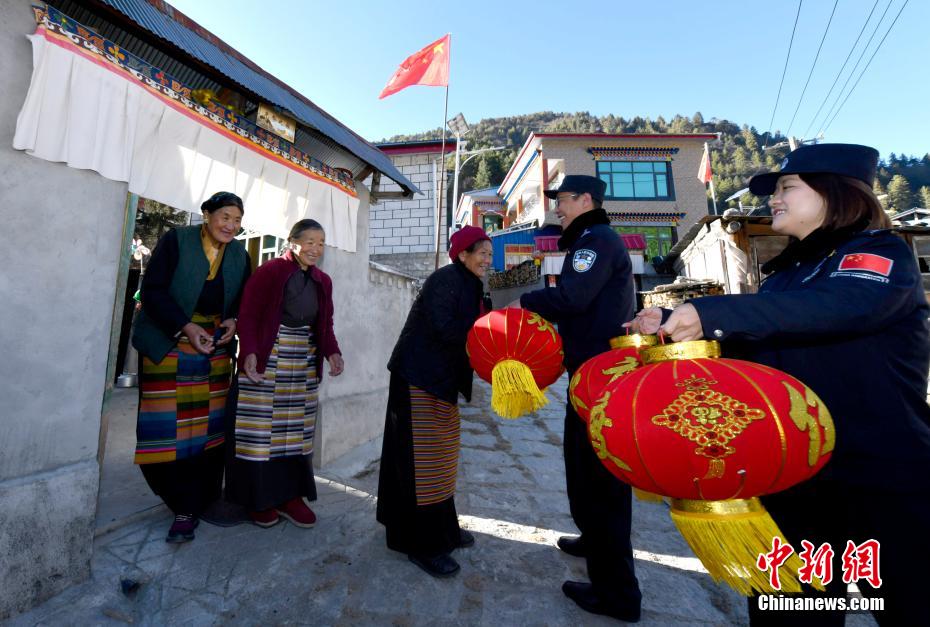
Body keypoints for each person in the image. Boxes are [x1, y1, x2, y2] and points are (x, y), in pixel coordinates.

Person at [631, 143, 930, 625]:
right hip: (799, 479)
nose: (773, 199)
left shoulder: (878, 255)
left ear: (836, 193)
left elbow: (837, 307)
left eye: (787, 187)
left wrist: (708, 314)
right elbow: (758, 355)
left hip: (883, 477)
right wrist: (672, 335)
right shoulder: (783, 278)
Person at [516, 175, 642, 622]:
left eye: (564, 202)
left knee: (602, 480)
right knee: (581, 466)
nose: (559, 210)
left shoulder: (596, 240)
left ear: (586, 200)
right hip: (590, 374)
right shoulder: (593, 239)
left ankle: (617, 594)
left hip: (600, 378)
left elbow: (572, 296)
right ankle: (593, 540)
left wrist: (523, 302)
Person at [132, 191, 251, 543]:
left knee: (210, 429)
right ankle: (179, 503)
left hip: (212, 348)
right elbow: (152, 292)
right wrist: (185, 325)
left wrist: (234, 320)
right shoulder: (177, 241)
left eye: (237, 220)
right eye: (225, 216)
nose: (231, 225)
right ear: (206, 214)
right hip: (169, 343)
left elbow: (244, 297)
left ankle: (203, 499)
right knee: (168, 427)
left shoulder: (240, 256)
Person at [376, 226, 493, 578]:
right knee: (421, 463)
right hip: (418, 377)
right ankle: (421, 544)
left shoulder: (471, 283)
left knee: (440, 459)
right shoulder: (444, 280)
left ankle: (443, 529)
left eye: (489, 253)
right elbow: (447, 328)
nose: (488, 259)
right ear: (462, 255)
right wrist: (489, 335)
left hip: (439, 380)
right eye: (482, 253)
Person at [226, 219, 344, 529]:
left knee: (295, 431)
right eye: (309, 241)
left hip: (302, 358)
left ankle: (291, 497)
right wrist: (249, 351)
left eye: (320, 243)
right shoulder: (270, 272)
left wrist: (332, 351)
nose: (315, 248)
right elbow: (248, 315)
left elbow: (325, 324)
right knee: (261, 429)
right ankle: (258, 500)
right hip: (272, 353)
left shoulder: (323, 281)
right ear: (292, 242)